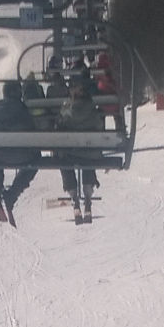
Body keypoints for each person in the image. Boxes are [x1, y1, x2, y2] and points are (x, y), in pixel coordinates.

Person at [0, 79, 38, 220]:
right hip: (23, 155)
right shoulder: (23, 110)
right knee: (35, 162)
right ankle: (12, 195)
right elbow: (32, 131)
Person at [56, 78, 104, 222]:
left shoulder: (67, 111)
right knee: (89, 157)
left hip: (70, 154)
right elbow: (99, 127)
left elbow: (60, 125)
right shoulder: (93, 111)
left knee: (64, 160)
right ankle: (87, 197)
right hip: (90, 153)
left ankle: (74, 197)